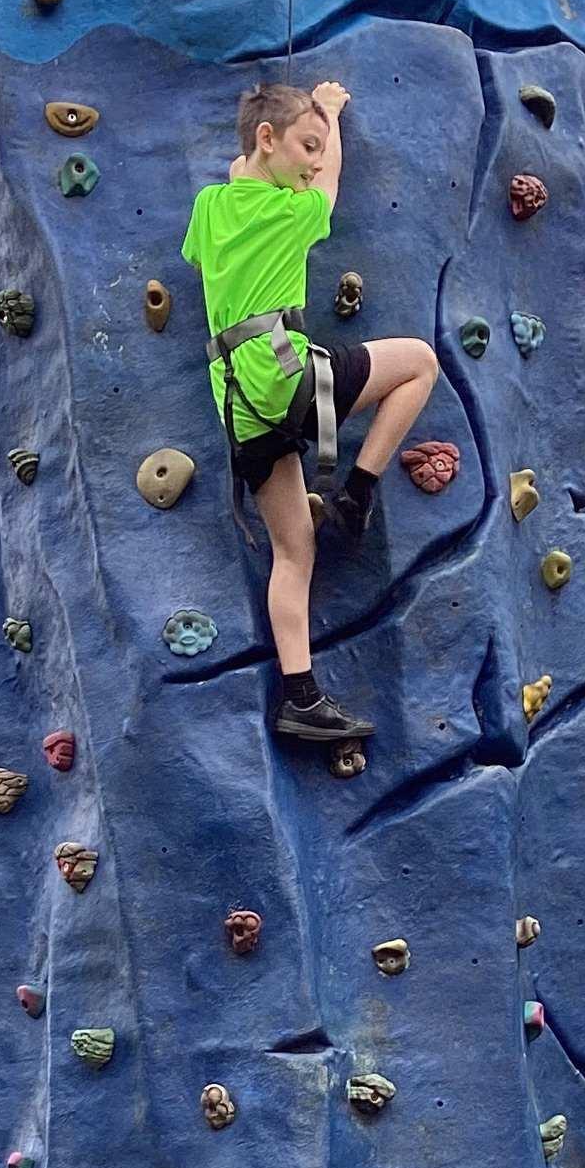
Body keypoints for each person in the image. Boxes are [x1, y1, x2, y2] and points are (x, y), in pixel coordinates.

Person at [181, 80, 440, 749]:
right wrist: (333, 114)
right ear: (269, 139)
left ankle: (300, 697)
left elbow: (234, 184)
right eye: (306, 146)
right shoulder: (292, 212)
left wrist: (268, 149)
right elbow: (328, 185)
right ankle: (358, 492)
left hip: (239, 404)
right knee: (418, 363)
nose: (314, 160)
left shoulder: (209, 208)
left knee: (294, 551)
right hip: (286, 376)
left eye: (319, 147)